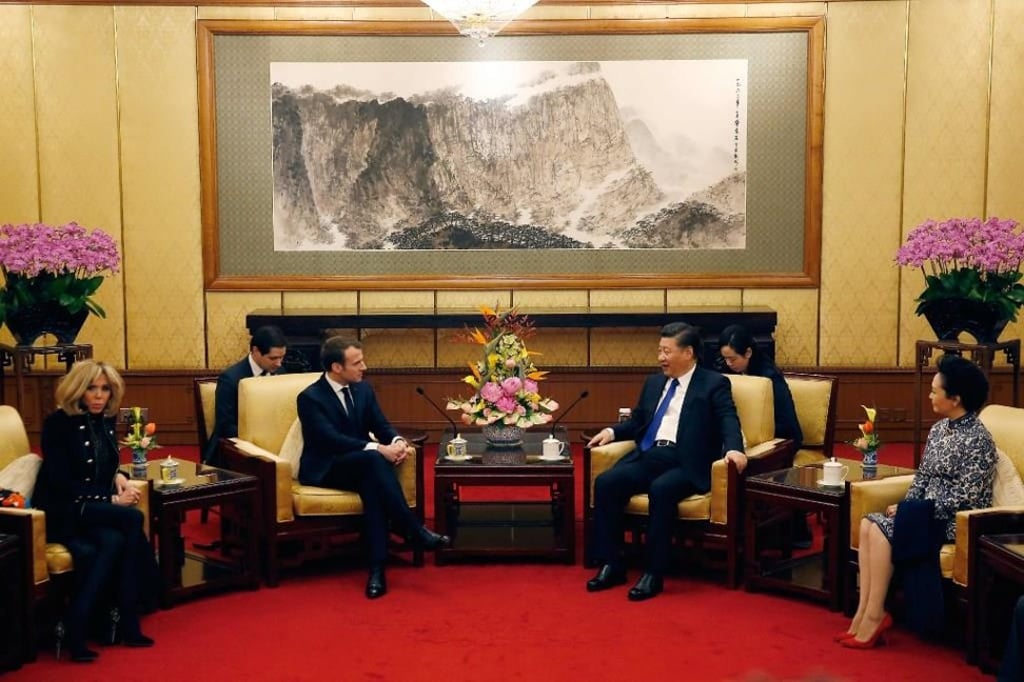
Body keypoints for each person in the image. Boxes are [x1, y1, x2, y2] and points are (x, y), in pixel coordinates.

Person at [839, 354, 997, 649]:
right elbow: (922, 478)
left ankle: (875, 616)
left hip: (954, 520)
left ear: (956, 398)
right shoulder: (939, 430)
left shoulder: (979, 440)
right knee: (868, 524)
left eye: (935, 390)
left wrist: (916, 510)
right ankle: (864, 612)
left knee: (883, 531)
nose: (930, 394)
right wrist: (907, 507)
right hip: (924, 513)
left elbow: (969, 495)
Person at [586, 322, 748, 601]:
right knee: (607, 483)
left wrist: (734, 448)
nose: (660, 357)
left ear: (688, 353)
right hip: (651, 454)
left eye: (666, 351)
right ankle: (611, 564)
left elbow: (727, 419)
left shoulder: (714, 383)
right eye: (659, 351)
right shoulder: (653, 383)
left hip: (687, 462)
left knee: (661, 489)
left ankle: (653, 573)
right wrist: (611, 431)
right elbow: (639, 420)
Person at [296, 336, 449, 599]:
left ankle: (377, 571)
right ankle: (413, 529)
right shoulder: (310, 398)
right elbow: (330, 440)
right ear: (336, 367)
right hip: (326, 467)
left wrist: (398, 441)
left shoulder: (363, 389)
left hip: (362, 466)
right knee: (373, 460)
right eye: (357, 363)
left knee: (373, 488)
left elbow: (380, 425)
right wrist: (379, 449)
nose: (364, 367)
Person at [32, 360, 156, 662]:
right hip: (65, 509)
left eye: (104, 389)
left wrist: (120, 478)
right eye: (92, 388)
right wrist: (112, 500)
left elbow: (105, 463)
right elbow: (62, 484)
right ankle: (128, 618)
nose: (99, 396)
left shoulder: (105, 419)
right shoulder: (57, 423)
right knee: (132, 517)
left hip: (93, 509)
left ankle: (84, 621)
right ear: (78, 390)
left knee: (114, 540)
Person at [719, 323, 809, 547]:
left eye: (733, 359)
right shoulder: (730, 371)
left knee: (756, 463)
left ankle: (765, 530)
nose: (728, 365)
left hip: (782, 436)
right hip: (749, 437)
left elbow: (787, 424)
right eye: (725, 359)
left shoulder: (769, 378)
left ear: (748, 352)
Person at [204, 325, 287, 466]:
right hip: (234, 449)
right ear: (255, 351)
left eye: (282, 357)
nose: (279, 363)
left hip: (272, 447)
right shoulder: (230, 379)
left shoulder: (281, 373)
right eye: (273, 358)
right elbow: (225, 425)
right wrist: (258, 440)